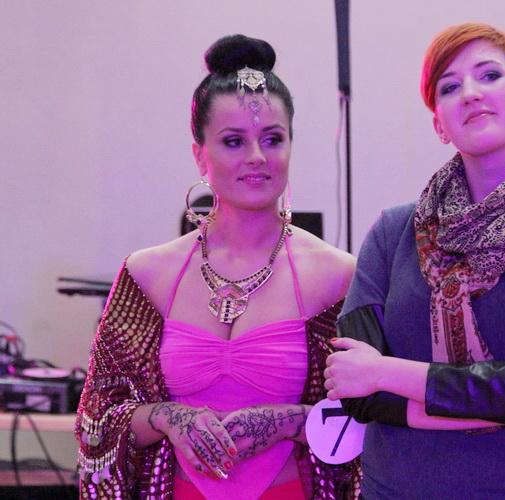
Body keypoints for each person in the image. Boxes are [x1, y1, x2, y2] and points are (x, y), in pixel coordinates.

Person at [324, 23, 505, 498]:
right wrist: (503, 397)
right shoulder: (393, 233)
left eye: (489, 75)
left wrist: (386, 371)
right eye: (449, 86)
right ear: (439, 124)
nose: (471, 93)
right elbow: (356, 390)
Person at [76, 35, 360, 499]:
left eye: (273, 139)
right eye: (233, 141)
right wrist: (167, 416)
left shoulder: (338, 276)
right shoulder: (147, 274)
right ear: (199, 155)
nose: (257, 157)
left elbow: (373, 423)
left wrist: (289, 421)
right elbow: (96, 420)